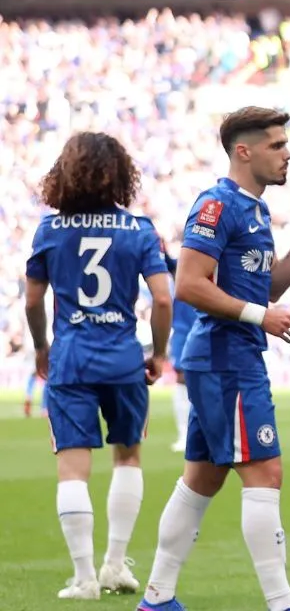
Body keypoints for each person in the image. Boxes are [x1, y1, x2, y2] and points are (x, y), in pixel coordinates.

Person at [138, 107, 290, 611]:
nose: (287, 153)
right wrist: (258, 316)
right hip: (226, 358)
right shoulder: (217, 205)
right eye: (276, 145)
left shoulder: (257, 210)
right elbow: (189, 284)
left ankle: (157, 597)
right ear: (243, 151)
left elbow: (264, 286)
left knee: (202, 479)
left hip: (225, 356)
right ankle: (282, 604)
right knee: (265, 474)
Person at [24, 132, 174, 599]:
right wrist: (160, 353)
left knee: (72, 469)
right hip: (124, 360)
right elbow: (164, 298)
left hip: (71, 361)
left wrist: (41, 348)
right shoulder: (140, 229)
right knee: (128, 456)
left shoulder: (51, 230)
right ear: (121, 174)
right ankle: (115, 566)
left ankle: (84, 577)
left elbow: (32, 301)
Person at [166, 249, 200, 454]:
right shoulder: (180, 263)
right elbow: (170, 264)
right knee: (181, 378)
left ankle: (200, 432)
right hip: (182, 330)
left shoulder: (213, 259)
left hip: (202, 325)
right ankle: (184, 434)